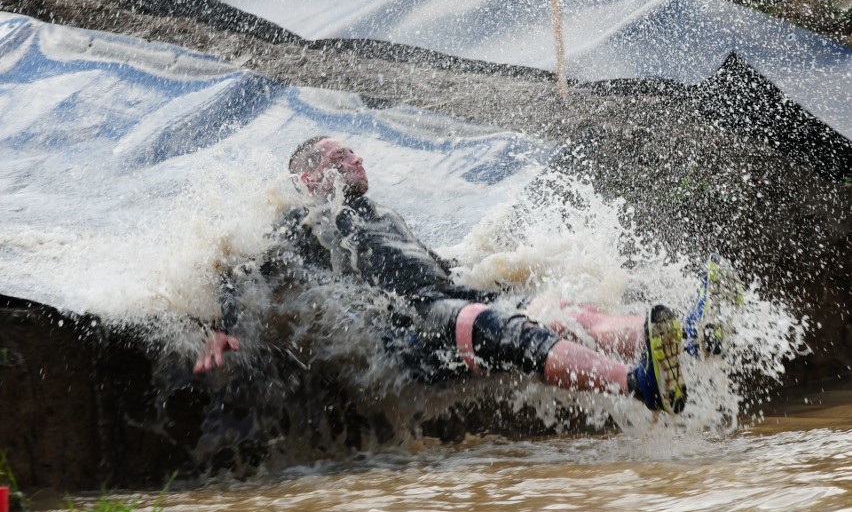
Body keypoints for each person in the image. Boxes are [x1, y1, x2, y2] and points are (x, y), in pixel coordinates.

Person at [195, 136, 738, 414]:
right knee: (507, 329)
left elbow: (442, 270)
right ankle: (640, 387)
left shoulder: (384, 216)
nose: (356, 159)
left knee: (567, 312)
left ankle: (690, 339)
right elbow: (244, 262)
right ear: (312, 175)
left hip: (448, 300)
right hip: (409, 327)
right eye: (341, 156)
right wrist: (225, 324)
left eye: (355, 151)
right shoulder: (306, 220)